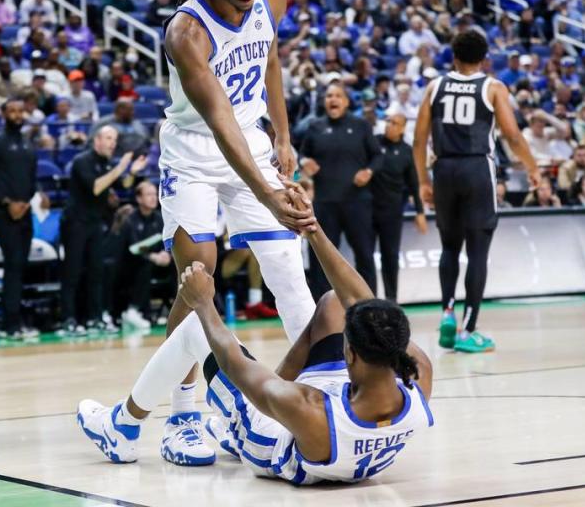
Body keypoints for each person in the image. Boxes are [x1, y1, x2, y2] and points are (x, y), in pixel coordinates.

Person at [76, 184, 434, 484]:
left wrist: (204, 303)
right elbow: (360, 301)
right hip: (339, 414)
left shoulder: (309, 412)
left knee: (194, 329)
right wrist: (312, 228)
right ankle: (230, 411)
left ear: (350, 355)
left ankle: (121, 426)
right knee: (331, 304)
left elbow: (234, 362)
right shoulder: (418, 379)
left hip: (273, 440)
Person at [156, 0, 317, 466]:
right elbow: (220, 122)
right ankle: (184, 415)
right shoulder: (187, 33)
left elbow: (269, 58)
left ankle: (317, 391)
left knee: (289, 274)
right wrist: (269, 193)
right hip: (196, 150)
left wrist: (284, 134)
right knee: (196, 280)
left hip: (251, 137)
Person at [413, 30, 540, 353]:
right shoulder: (493, 87)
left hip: (443, 169)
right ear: (485, 59)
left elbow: (418, 140)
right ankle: (468, 330)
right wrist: (533, 168)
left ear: (452, 56)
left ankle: (447, 311)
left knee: (449, 248)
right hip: (476, 169)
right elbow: (511, 135)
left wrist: (423, 182)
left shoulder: (435, 86)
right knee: (478, 252)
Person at [59, 125, 147, 336]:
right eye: (108, 138)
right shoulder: (82, 161)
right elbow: (97, 187)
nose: (112, 143)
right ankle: (69, 319)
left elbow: (123, 184)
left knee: (96, 273)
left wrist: (132, 172)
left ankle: (95, 318)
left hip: (96, 223)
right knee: (73, 273)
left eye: (114, 140)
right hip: (75, 224)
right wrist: (120, 167)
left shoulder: (106, 164)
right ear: (97, 140)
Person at [298, 82, 382, 295]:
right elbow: (301, 154)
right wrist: (304, 161)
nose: (332, 99)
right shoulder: (315, 126)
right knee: (321, 258)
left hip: (357, 201)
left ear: (345, 101)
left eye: (337, 96)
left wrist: (369, 172)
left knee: (364, 254)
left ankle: (370, 303)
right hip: (325, 203)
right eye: (328, 96)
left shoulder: (361, 125)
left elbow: (378, 156)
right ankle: (321, 306)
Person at [0, 99, 38, 339]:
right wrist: (7, 203)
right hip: (1, 213)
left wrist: (24, 203)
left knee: (20, 266)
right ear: (3, 114)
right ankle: (9, 324)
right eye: (12, 111)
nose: (16, 114)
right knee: (13, 264)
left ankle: (14, 319)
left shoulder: (27, 144)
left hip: (24, 212)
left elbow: (32, 179)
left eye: (20, 110)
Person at [370, 112, 427, 302]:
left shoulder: (406, 151)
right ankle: (367, 299)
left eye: (394, 123)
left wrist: (419, 212)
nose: (389, 125)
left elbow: (413, 184)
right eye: (387, 121)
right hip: (367, 209)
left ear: (403, 128)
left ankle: (391, 299)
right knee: (365, 257)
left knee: (390, 257)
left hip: (392, 211)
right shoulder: (374, 142)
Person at [117, 181, 174, 328]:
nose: (153, 198)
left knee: (178, 264)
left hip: (160, 262)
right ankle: (133, 311)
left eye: (155, 194)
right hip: (135, 264)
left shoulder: (160, 218)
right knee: (144, 265)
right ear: (139, 199)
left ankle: (182, 308)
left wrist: (167, 254)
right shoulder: (130, 220)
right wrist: (152, 257)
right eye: (149, 194)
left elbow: (167, 241)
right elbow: (133, 249)